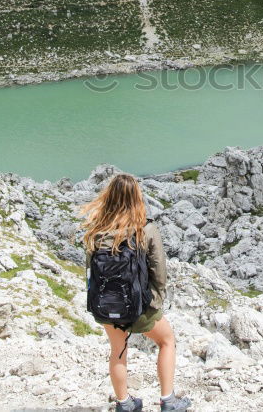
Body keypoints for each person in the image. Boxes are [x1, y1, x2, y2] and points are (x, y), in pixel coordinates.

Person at [81, 173, 192, 412]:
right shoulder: (146, 229)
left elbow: (91, 271)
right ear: (137, 198)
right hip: (140, 306)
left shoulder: (96, 231)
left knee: (118, 350)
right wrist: (156, 300)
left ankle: (124, 403)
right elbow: (158, 269)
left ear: (108, 197)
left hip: (106, 304)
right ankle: (168, 400)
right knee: (167, 341)